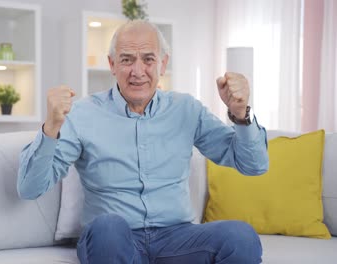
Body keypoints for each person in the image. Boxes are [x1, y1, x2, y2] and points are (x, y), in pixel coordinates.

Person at [17, 19, 268, 264]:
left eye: (148, 59)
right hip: (114, 239)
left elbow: (254, 165)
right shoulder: (82, 114)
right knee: (108, 227)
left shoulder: (186, 109)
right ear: (112, 64)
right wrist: (50, 128)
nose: (138, 72)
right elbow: (29, 188)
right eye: (127, 59)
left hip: (178, 238)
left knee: (241, 237)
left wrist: (241, 114)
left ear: (163, 64)